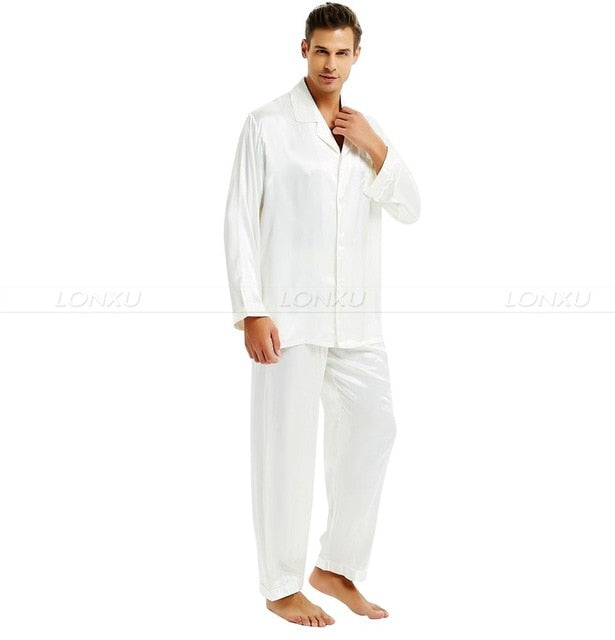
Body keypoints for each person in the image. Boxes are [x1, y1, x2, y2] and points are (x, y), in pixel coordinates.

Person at [223, 2, 420, 627]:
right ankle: (281, 585)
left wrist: (375, 147)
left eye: (342, 53)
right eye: (321, 51)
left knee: (375, 428)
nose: (330, 63)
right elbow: (239, 221)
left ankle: (336, 568)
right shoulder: (266, 125)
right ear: (304, 50)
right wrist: (251, 310)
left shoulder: (366, 128)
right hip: (287, 317)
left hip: (356, 320)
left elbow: (411, 207)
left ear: (357, 56)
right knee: (284, 448)